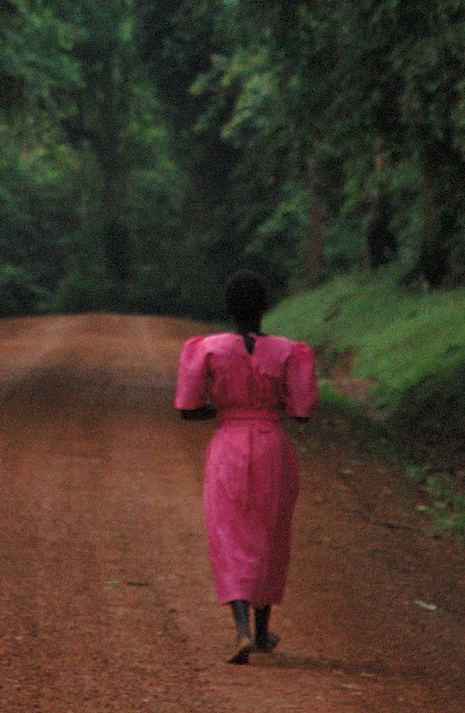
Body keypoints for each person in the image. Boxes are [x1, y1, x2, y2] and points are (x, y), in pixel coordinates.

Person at [175, 269, 318, 664]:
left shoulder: (207, 348)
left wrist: (224, 408)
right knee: (269, 533)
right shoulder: (290, 351)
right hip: (273, 446)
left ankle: (240, 632)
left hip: (227, 446)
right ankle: (261, 630)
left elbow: (187, 409)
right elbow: (302, 412)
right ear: (265, 307)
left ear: (228, 307)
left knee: (229, 534)